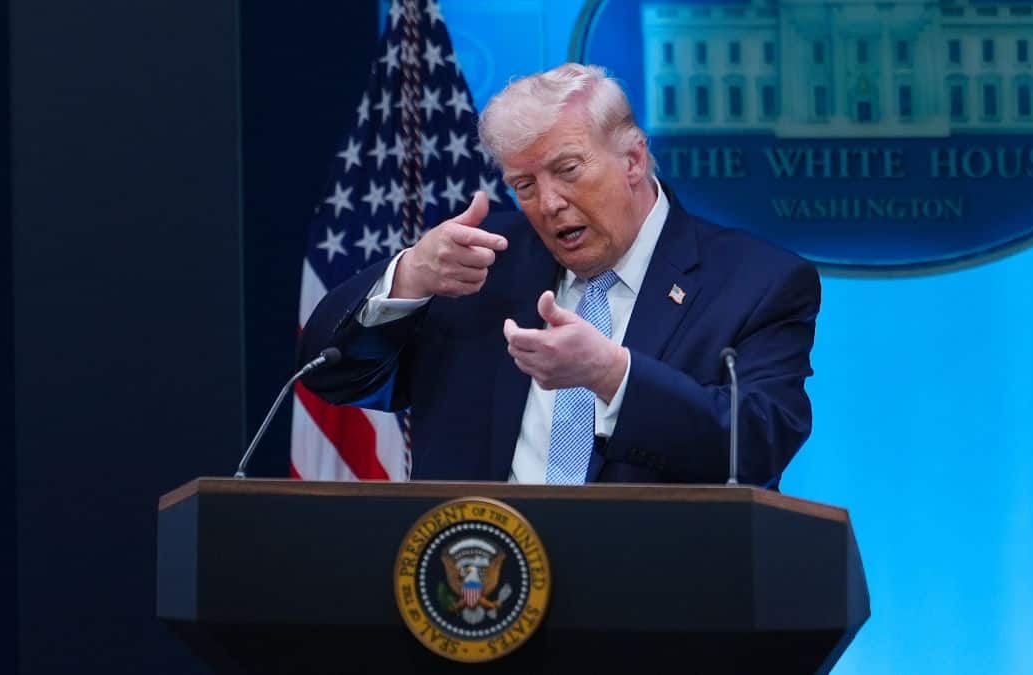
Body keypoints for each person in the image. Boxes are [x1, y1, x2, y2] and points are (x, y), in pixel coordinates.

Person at [300, 63, 819, 486]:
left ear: (634, 160)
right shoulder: (478, 264)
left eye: (568, 171)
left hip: (657, 597)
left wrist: (612, 376)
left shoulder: (756, 283)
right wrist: (410, 274)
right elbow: (331, 376)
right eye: (524, 185)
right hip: (474, 592)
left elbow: (758, 444)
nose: (548, 203)